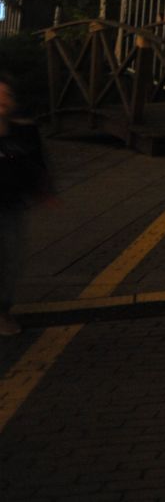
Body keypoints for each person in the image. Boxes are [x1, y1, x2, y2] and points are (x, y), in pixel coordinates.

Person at [0, 77, 54, 336]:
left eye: (5, 95)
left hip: (11, 205)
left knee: (11, 260)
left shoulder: (24, 131)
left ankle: (2, 311)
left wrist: (44, 191)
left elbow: (37, 163)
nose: (2, 101)